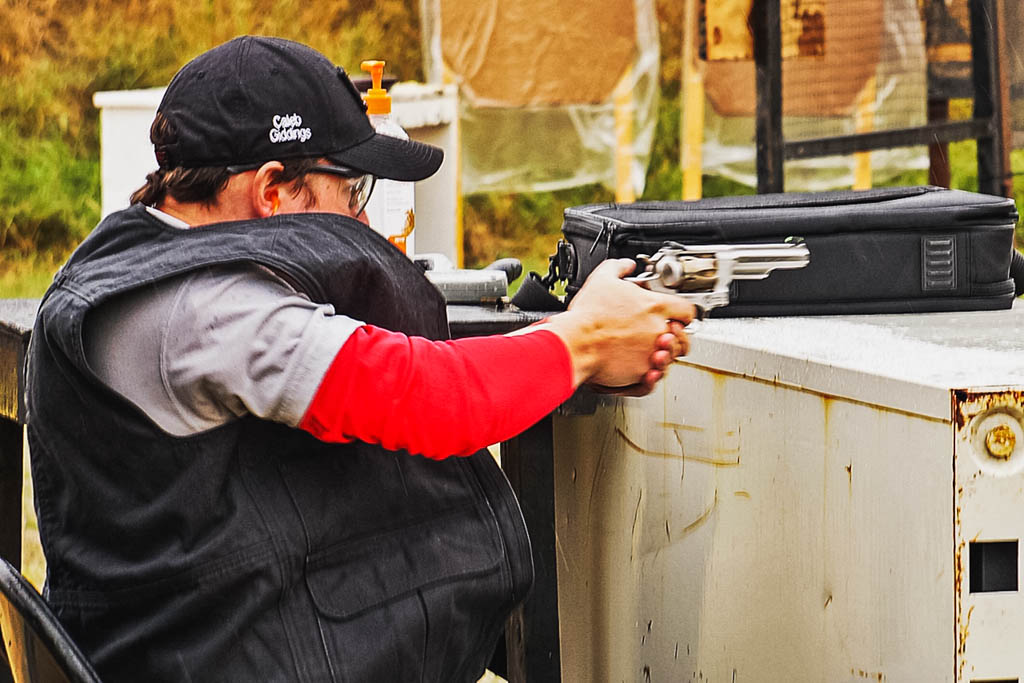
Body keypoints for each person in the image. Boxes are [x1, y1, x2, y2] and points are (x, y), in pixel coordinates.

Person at [25, 36, 694, 682]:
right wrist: (584, 341)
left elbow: (411, 366)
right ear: (272, 192)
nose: (363, 227)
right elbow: (430, 397)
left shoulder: (139, 263)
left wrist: (575, 343)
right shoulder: (206, 310)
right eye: (353, 196)